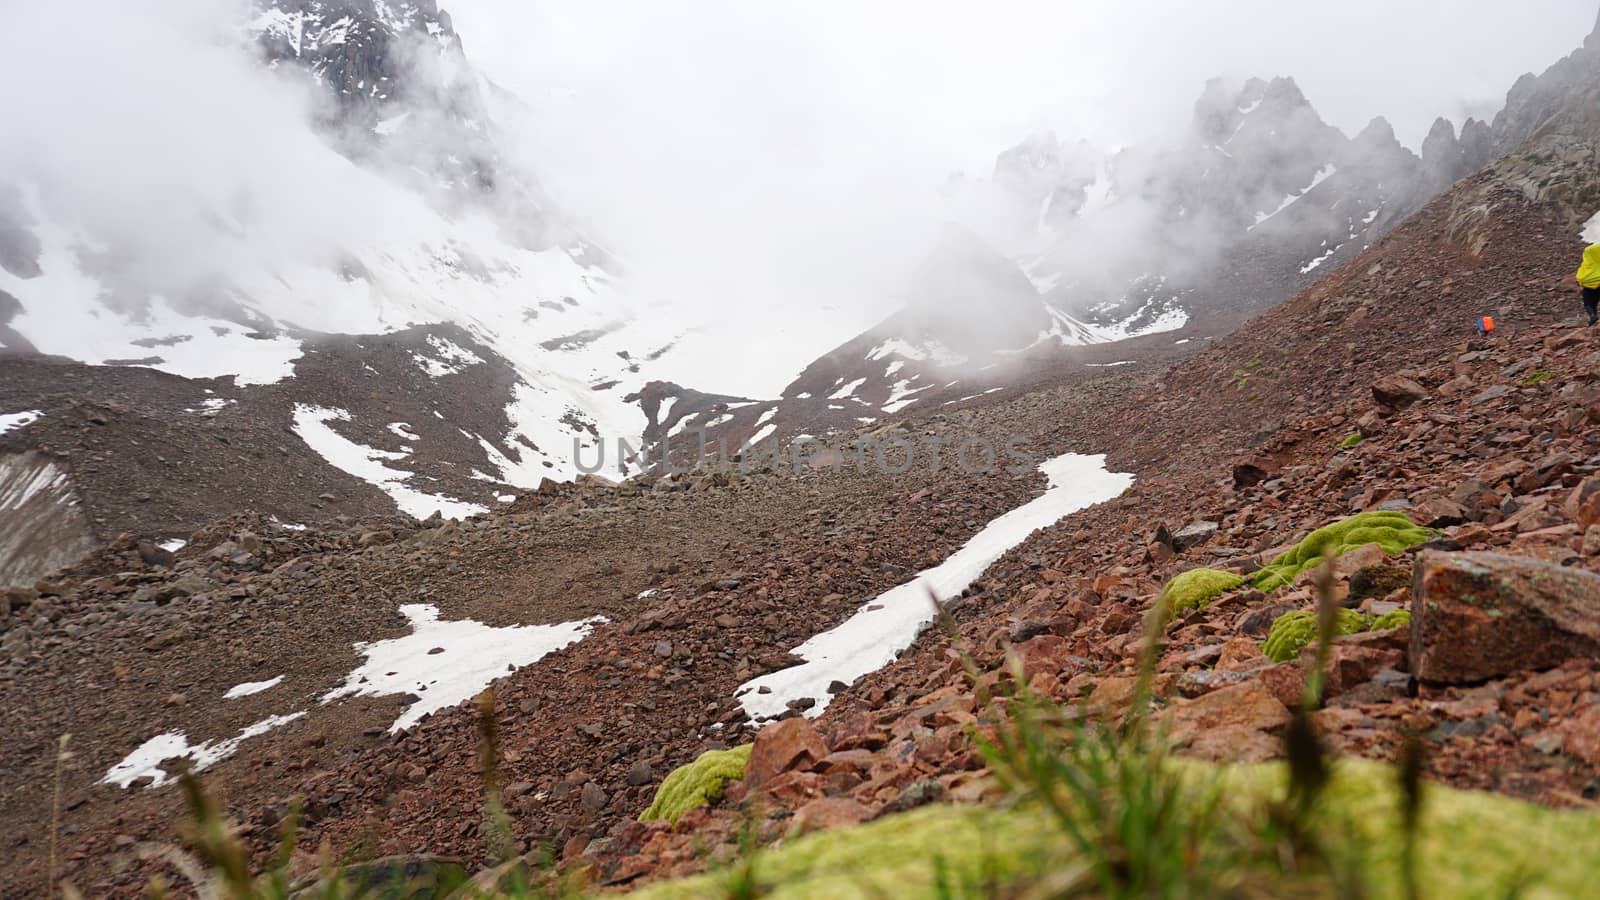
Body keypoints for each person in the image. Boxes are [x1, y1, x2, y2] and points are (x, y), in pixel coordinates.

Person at [1577, 242, 1600, 325]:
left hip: (1588, 289)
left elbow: (1580, 278)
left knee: (1589, 304)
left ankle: (1593, 316)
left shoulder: (1587, 265)